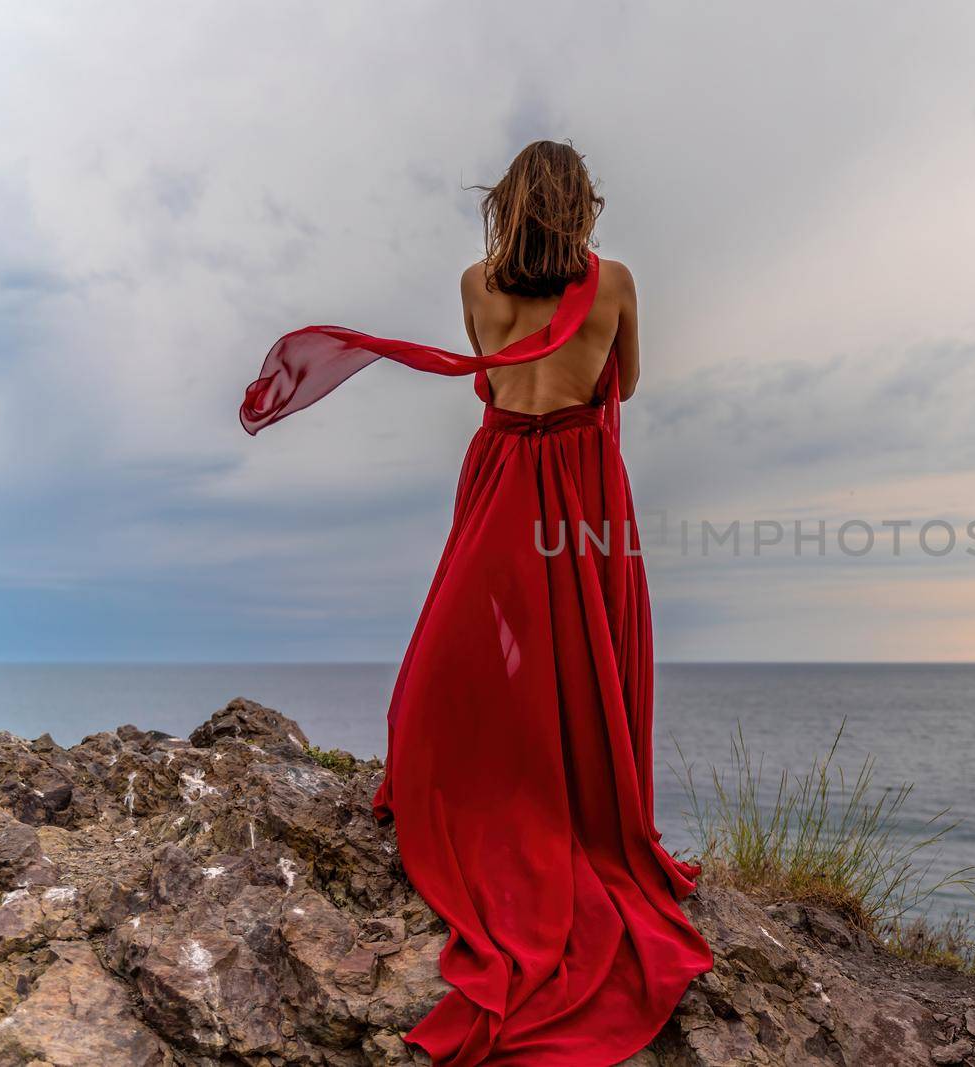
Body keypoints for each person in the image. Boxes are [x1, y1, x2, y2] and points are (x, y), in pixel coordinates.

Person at [240, 139, 713, 1065]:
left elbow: (493, 382)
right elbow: (632, 379)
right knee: (583, 644)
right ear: (581, 207)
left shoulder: (474, 281)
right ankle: (574, 801)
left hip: (502, 468)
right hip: (580, 477)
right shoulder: (612, 282)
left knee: (473, 637)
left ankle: (459, 780)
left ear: (506, 204)